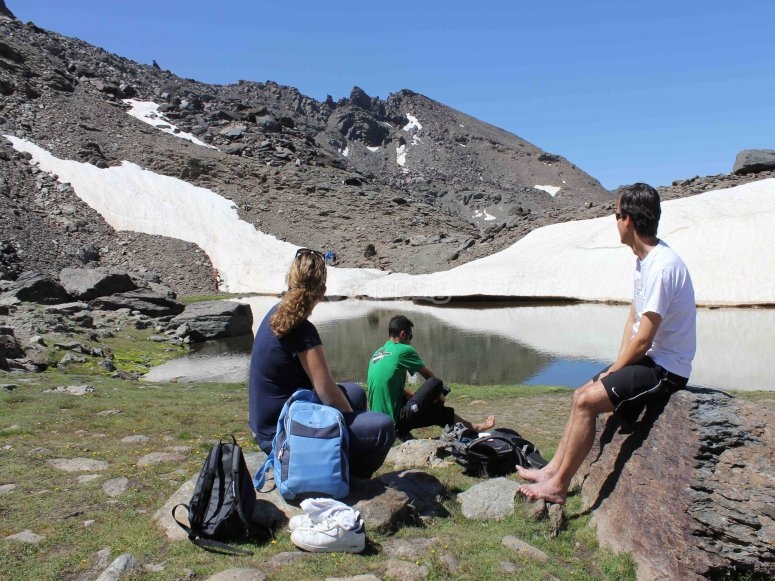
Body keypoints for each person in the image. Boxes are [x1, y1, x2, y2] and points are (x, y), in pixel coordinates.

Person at [517, 183, 696, 504]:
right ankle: (551, 471)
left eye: (616, 215)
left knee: (587, 402)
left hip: (666, 370)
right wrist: (616, 368)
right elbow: (633, 319)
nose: (615, 222)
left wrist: (614, 370)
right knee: (579, 395)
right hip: (650, 361)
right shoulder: (644, 261)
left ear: (628, 220)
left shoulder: (662, 265)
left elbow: (644, 338)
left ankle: (559, 486)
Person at [248, 248, 396, 478]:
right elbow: (326, 392)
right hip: (285, 435)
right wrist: (350, 422)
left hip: (268, 426)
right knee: (384, 427)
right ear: (323, 292)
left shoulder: (274, 313)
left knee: (355, 393)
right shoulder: (302, 331)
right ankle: (351, 478)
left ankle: (338, 454)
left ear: (289, 282)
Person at [367, 314, 495, 440]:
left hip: (380, 422)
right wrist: (439, 396)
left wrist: (416, 398)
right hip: (395, 423)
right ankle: (473, 427)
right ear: (402, 334)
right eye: (410, 337)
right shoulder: (403, 350)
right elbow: (430, 377)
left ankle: (475, 427)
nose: (411, 342)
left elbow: (389, 385)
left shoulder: (379, 353)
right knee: (437, 384)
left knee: (438, 413)